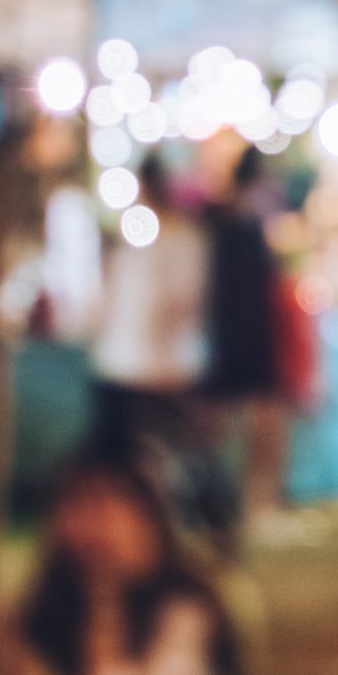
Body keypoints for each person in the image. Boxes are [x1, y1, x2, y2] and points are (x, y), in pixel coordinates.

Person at [4, 454, 252, 675]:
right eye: (75, 508)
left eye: (101, 509)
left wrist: (104, 610)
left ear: (147, 520)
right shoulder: (57, 601)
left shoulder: (186, 602)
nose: (88, 528)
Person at [92, 158, 227, 541]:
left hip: (165, 367)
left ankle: (207, 522)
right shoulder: (135, 240)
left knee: (182, 457)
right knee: (129, 461)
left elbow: (185, 302)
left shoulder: (181, 240)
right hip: (125, 365)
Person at [199, 148, 287, 550]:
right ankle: (228, 503)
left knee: (256, 423)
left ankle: (253, 504)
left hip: (238, 333)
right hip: (230, 334)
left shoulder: (233, 223)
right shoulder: (227, 224)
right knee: (233, 428)